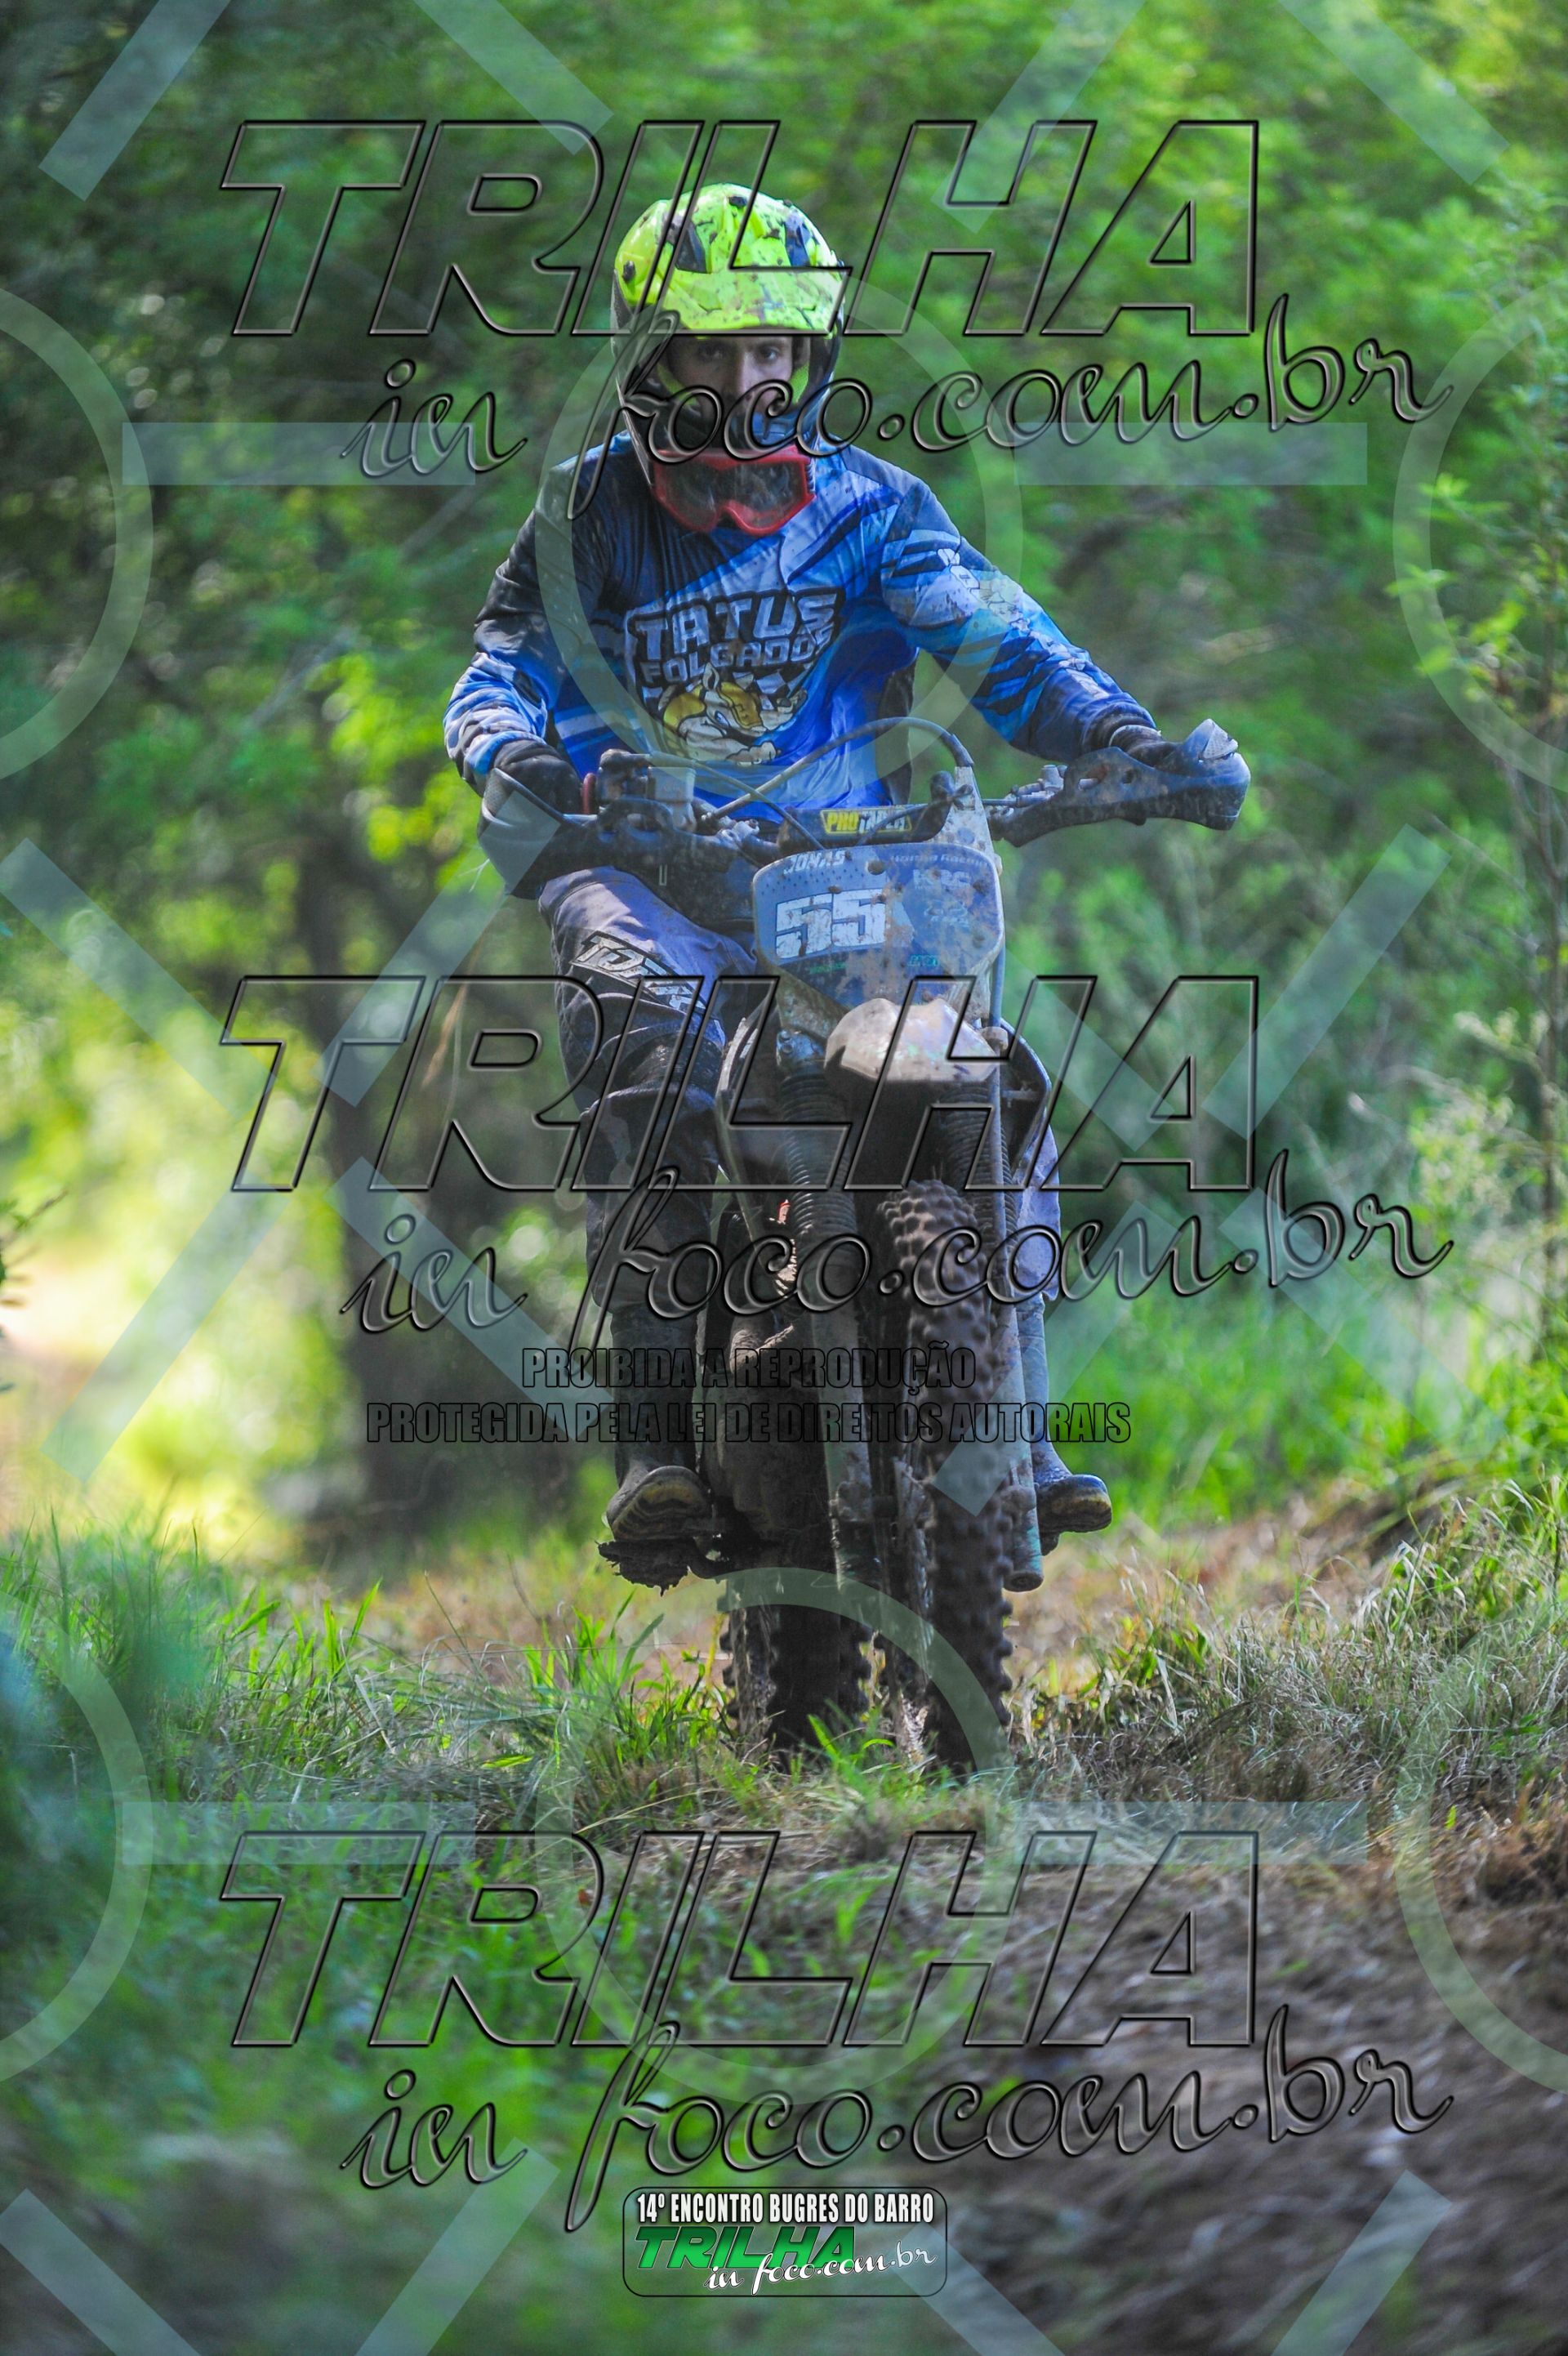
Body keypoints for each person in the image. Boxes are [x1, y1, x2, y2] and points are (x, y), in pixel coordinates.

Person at [444, 181, 1198, 1559]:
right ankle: (658, 1442)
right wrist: (521, 761)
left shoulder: (872, 508)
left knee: (985, 1074)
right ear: (651, 357)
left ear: (810, 353)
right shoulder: (588, 514)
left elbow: (1003, 638)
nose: (750, 379)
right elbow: (500, 672)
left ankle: (1016, 1421)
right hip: (647, 867)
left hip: (850, 865)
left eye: (774, 346)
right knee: (654, 1057)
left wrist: (1116, 734)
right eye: (715, 347)